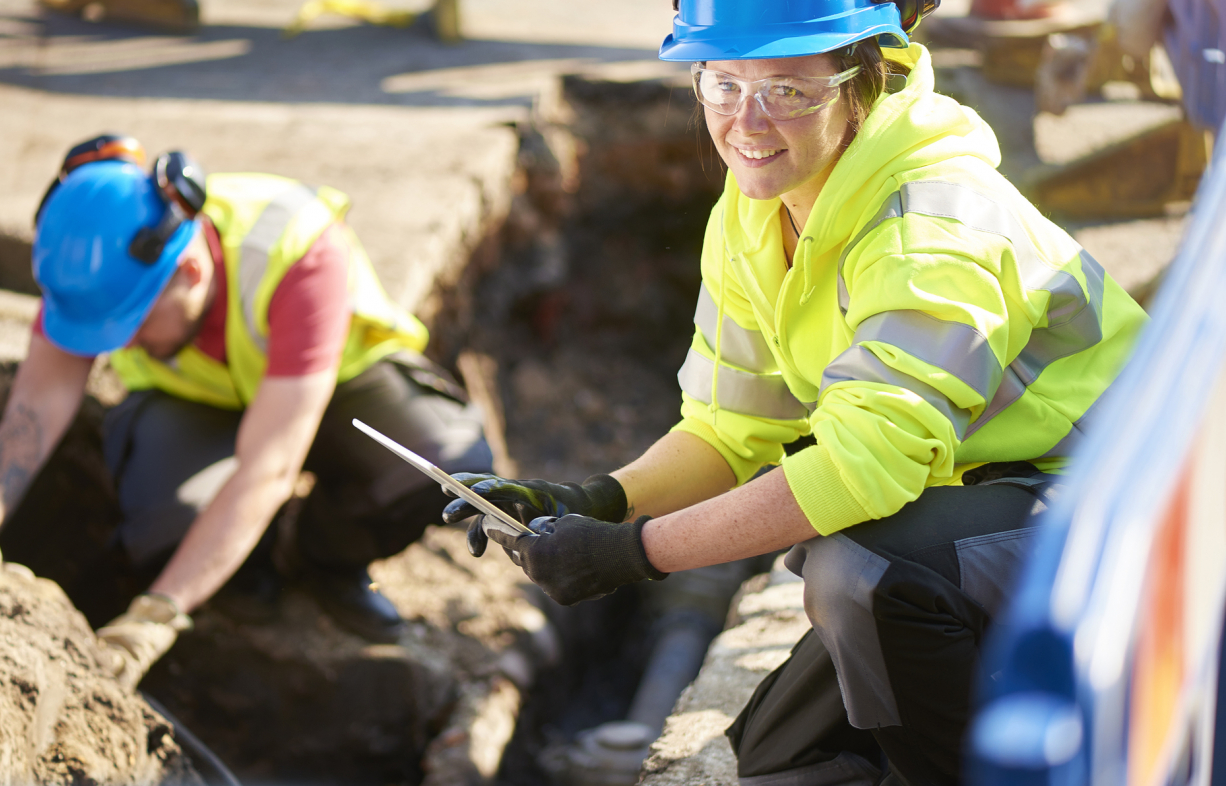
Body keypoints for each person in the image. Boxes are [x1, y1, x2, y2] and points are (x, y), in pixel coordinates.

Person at [442, 1, 1148, 783]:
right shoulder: (756, 209)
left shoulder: (933, 225)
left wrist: (634, 554)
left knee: (859, 571)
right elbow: (729, 427)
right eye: (722, 82)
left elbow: (861, 469)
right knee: (786, 760)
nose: (748, 121)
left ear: (864, 83)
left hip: (1131, 517)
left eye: (789, 89)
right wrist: (600, 500)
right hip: (985, 515)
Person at [0, 134, 492, 687]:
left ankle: (320, 556)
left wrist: (156, 613)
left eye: (130, 326)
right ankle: (242, 574)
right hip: (198, 404)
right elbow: (31, 415)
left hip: (333, 393)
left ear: (187, 271)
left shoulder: (296, 249)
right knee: (168, 519)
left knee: (442, 464)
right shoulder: (96, 271)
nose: (121, 344)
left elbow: (269, 468)